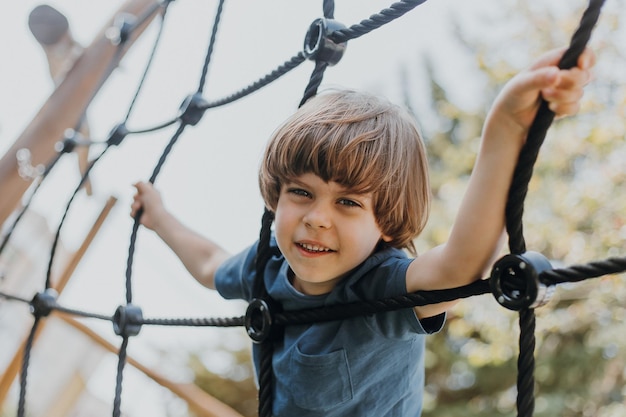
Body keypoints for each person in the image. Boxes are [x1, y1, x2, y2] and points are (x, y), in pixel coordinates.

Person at [131, 47, 594, 416]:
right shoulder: (267, 263)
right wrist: (160, 219)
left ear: (385, 223)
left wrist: (507, 126)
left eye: (348, 202)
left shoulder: (380, 285)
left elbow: (459, 266)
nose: (317, 217)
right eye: (300, 192)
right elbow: (210, 264)